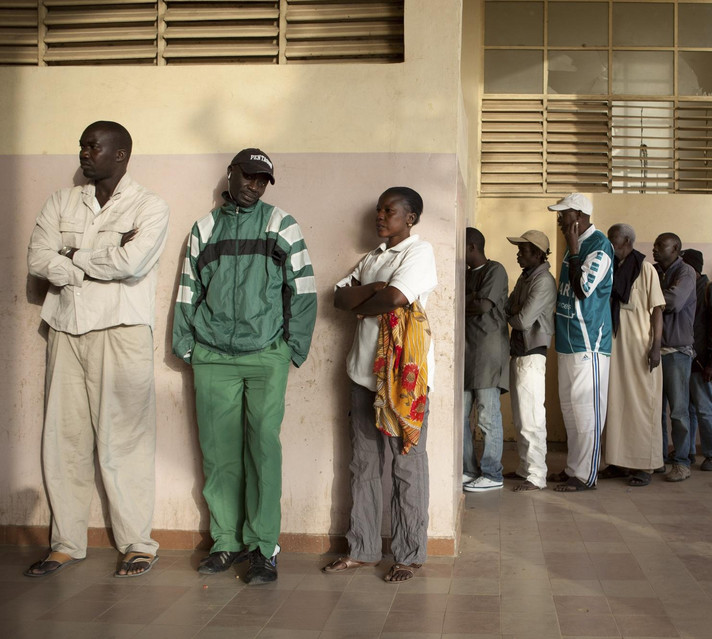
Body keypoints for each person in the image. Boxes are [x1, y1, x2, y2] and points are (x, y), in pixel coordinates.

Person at [25, 121, 169, 578]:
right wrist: (86, 264)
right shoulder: (61, 201)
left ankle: (137, 544)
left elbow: (132, 263)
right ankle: (66, 543)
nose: (84, 154)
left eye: (94, 146)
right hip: (66, 328)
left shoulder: (150, 206)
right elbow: (37, 259)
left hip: (122, 330)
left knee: (124, 438)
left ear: (121, 154)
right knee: (63, 439)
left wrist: (70, 259)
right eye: (83, 146)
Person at [173, 148, 317, 584]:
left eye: (262, 180)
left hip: (265, 356)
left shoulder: (281, 225)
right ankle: (225, 542)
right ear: (231, 174)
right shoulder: (204, 227)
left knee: (263, 449)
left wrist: (292, 348)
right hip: (212, 356)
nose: (254, 186)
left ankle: (262, 547)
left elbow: (304, 290)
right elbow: (187, 288)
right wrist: (187, 346)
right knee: (218, 454)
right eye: (248, 177)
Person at [324, 186, 437, 583]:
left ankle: (409, 554)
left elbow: (394, 298)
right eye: (378, 210)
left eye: (389, 210)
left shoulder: (418, 253)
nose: (379, 216)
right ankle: (364, 549)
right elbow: (338, 299)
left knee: (407, 465)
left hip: (404, 379)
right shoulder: (373, 257)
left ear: (411, 218)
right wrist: (370, 292)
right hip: (363, 373)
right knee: (364, 465)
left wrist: (370, 298)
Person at [548, 193, 613, 492]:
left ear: (579, 215)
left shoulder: (599, 245)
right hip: (567, 340)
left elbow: (583, 288)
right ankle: (574, 467)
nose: (560, 220)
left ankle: (586, 476)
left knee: (587, 412)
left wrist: (574, 251)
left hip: (589, 343)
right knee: (571, 411)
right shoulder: (574, 246)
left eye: (564, 214)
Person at [602, 224, 665, 487]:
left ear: (628, 240)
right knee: (615, 405)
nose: (610, 244)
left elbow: (658, 310)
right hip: (615, 347)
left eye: (614, 240)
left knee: (642, 406)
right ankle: (616, 461)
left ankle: (644, 465)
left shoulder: (646, 269)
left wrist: (656, 346)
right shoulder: (609, 268)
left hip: (640, 348)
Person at [504, 230, 556, 492]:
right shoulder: (528, 278)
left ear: (537, 254)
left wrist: (511, 316)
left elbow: (521, 319)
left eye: (523, 250)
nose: (518, 254)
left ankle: (536, 475)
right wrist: (513, 314)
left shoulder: (543, 281)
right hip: (520, 351)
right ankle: (526, 468)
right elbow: (511, 308)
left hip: (532, 354)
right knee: (522, 416)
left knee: (532, 417)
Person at [462, 227, 510, 492]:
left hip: (488, 351)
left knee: (487, 415)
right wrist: (471, 299)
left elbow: (483, 306)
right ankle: (468, 470)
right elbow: (470, 302)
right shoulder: (467, 275)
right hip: (468, 352)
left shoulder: (495, 270)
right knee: (462, 415)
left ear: (472, 247)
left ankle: (492, 473)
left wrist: (467, 300)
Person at [679, 249, 712, 472]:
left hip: (704, 363)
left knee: (705, 408)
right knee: (687, 410)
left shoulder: (711, 290)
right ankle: (688, 452)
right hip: (686, 361)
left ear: (692, 268)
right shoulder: (688, 288)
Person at [653, 233, 697, 482]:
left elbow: (673, 301)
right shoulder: (655, 271)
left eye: (661, 246)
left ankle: (681, 462)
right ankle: (657, 459)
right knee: (655, 410)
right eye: (656, 245)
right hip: (656, 351)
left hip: (677, 352)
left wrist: (652, 299)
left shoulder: (686, 272)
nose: (655, 249)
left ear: (676, 248)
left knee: (678, 411)